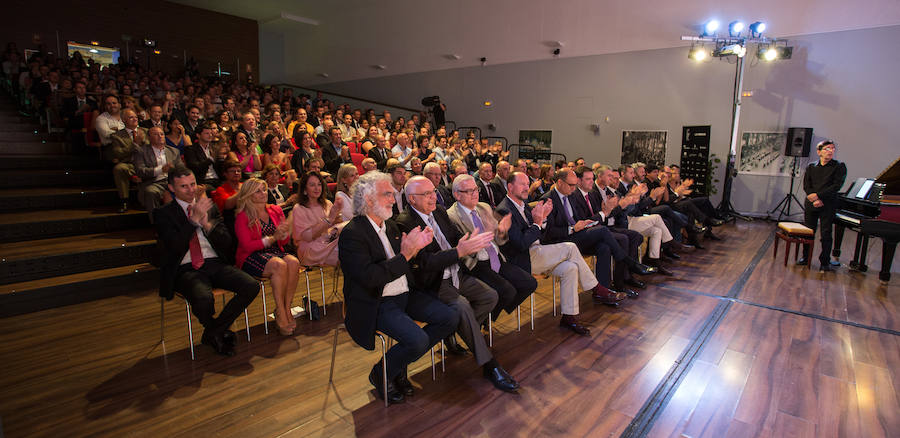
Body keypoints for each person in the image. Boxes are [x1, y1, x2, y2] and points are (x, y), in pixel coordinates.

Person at [338, 171, 458, 404]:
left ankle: (397, 367)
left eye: (393, 194)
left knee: (450, 317)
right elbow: (371, 278)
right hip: (377, 301)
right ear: (369, 199)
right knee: (418, 341)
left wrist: (417, 250)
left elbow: (409, 264)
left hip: (404, 293)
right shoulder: (353, 234)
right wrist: (406, 255)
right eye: (387, 195)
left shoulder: (390, 226)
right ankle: (383, 372)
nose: (394, 199)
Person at [396, 176, 520, 393]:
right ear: (412, 199)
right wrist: (459, 251)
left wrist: (471, 240)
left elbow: (455, 238)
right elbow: (425, 264)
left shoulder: (439, 212)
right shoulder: (405, 222)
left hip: (455, 273)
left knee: (490, 296)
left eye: (433, 191)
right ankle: (490, 366)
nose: (433, 196)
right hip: (434, 282)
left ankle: (456, 331)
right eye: (426, 194)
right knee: (462, 307)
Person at [154, 167, 260, 357]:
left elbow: (227, 243)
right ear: (171, 188)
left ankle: (213, 332)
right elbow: (173, 248)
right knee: (204, 299)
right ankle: (216, 332)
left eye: (193, 184)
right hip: (186, 268)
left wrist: (207, 224)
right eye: (184, 186)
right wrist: (192, 222)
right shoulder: (163, 213)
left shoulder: (208, 206)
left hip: (214, 263)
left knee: (251, 285)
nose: (191, 190)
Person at [498, 172, 615, 334]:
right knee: (570, 247)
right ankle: (597, 289)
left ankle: (570, 317)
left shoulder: (522, 205)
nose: (527, 188)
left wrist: (543, 219)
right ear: (510, 187)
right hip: (523, 260)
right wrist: (538, 223)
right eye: (522, 184)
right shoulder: (504, 209)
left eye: (527, 184)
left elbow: (538, 232)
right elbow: (521, 244)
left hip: (536, 252)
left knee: (570, 268)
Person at [541, 169, 656, 293]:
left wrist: (586, 222)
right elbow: (548, 233)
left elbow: (581, 219)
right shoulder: (548, 200)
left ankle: (604, 290)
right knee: (603, 231)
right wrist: (572, 228)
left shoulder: (570, 196)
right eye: (571, 185)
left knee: (604, 247)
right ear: (559, 182)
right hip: (562, 241)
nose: (574, 188)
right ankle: (631, 263)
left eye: (575, 185)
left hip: (577, 234)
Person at [447, 174, 537, 320]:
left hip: (496, 258)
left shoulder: (484, 207)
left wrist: (501, 232)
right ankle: (479, 320)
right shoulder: (451, 216)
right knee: (507, 291)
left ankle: (488, 317)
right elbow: (463, 250)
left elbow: (500, 241)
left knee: (529, 284)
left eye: (476, 189)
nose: (474, 194)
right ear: (457, 194)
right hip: (476, 263)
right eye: (469, 191)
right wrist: (482, 237)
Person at [233, 178, 300, 335]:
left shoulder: (275, 210)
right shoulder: (243, 216)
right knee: (279, 265)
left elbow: (282, 241)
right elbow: (246, 245)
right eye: (258, 191)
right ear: (249, 195)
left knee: (293, 262)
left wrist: (284, 232)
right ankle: (281, 312)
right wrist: (272, 239)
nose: (263, 193)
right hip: (251, 255)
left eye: (263, 190)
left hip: (274, 251)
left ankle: (285, 307)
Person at [801, 140, 847, 271]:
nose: (831, 151)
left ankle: (824, 261)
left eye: (833, 148)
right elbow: (807, 185)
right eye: (827, 148)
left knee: (826, 233)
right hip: (811, 203)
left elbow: (836, 186)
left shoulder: (839, 166)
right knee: (808, 232)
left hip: (828, 204)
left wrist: (818, 196)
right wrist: (813, 197)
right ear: (819, 152)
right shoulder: (811, 166)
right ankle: (806, 257)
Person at [292, 171, 343, 267]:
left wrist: (337, 218)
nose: (317, 188)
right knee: (349, 252)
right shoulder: (299, 208)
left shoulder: (327, 203)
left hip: (329, 241)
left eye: (319, 184)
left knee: (354, 244)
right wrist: (329, 219)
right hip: (311, 249)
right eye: (312, 185)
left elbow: (335, 224)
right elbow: (307, 237)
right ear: (305, 189)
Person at [133, 126, 182, 218]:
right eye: (156, 134)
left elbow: (181, 169)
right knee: (150, 192)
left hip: (171, 182)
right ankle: (157, 223)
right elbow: (140, 171)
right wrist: (161, 170)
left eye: (162, 134)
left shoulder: (174, 151)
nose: (160, 136)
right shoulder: (141, 151)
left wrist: (173, 169)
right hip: (153, 183)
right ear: (149, 138)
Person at [109, 109, 146, 213]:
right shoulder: (117, 136)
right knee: (119, 168)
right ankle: (124, 200)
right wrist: (134, 144)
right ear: (124, 120)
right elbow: (119, 153)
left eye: (135, 117)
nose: (135, 119)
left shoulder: (146, 131)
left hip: (146, 163)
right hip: (129, 164)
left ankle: (145, 200)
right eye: (131, 117)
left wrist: (141, 142)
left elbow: (152, 148)